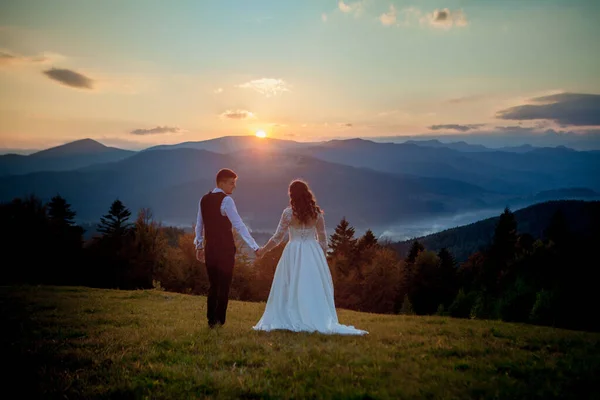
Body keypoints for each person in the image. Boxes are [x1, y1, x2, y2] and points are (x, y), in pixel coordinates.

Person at [253, 179, 368, 335]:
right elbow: (323, 239)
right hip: (312, 251)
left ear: (292, 195)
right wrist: (321, 258)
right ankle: (311, 315)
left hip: (292, 251)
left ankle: (290, 315)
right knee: (311, 285)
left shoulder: (288, 213)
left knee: (290, 284)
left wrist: (263, 250)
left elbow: (277, 237)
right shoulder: (316, 213)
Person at [194, 168, 260, 328]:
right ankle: (219, 321)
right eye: (232, 183)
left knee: (213, 285)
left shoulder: (203, 199)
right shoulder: (226, 201)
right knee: (223, 286)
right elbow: (239, 224)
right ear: (222, 182)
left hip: (210, 250)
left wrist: (199, 246)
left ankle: (211, 321)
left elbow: (199, 225)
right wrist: (255, 247)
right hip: (225, 251)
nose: (234, 187)